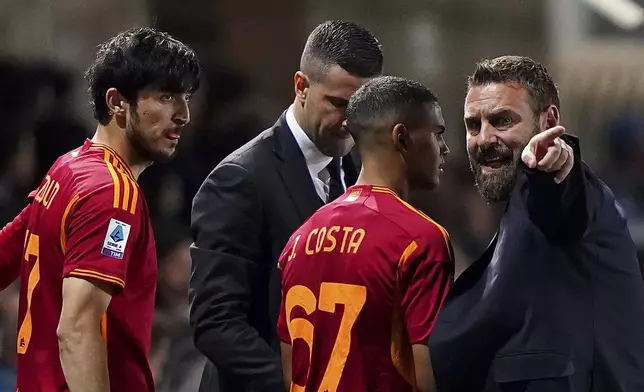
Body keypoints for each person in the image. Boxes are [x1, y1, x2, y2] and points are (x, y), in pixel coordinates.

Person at [0, 27, 201, 392]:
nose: (183, 114)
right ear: (116, 102)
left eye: (185, 97)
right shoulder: (112, 192)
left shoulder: (67, 169)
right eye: (167, 96)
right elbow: (76, 328)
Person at [428, 55, 644, 391]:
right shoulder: (516, 214)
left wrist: (550, 167)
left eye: (502, 121)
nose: (484, 139)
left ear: (548, 121)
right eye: (474, 125)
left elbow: (560, 198)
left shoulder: (567, 190)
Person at [189, 20, 383, 392]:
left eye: (362, 108)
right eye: (339, 104)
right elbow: (215, 320)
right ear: (302, 87)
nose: (350, 122)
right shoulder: (239, 180)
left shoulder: (358, 171)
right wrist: (296, 385)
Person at [277, 76, 453, 392]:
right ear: (402, 138)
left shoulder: (299, 240)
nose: (445, 148)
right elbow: (428, 373)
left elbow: (292, 369)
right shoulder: (421, 240)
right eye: (437, 134)